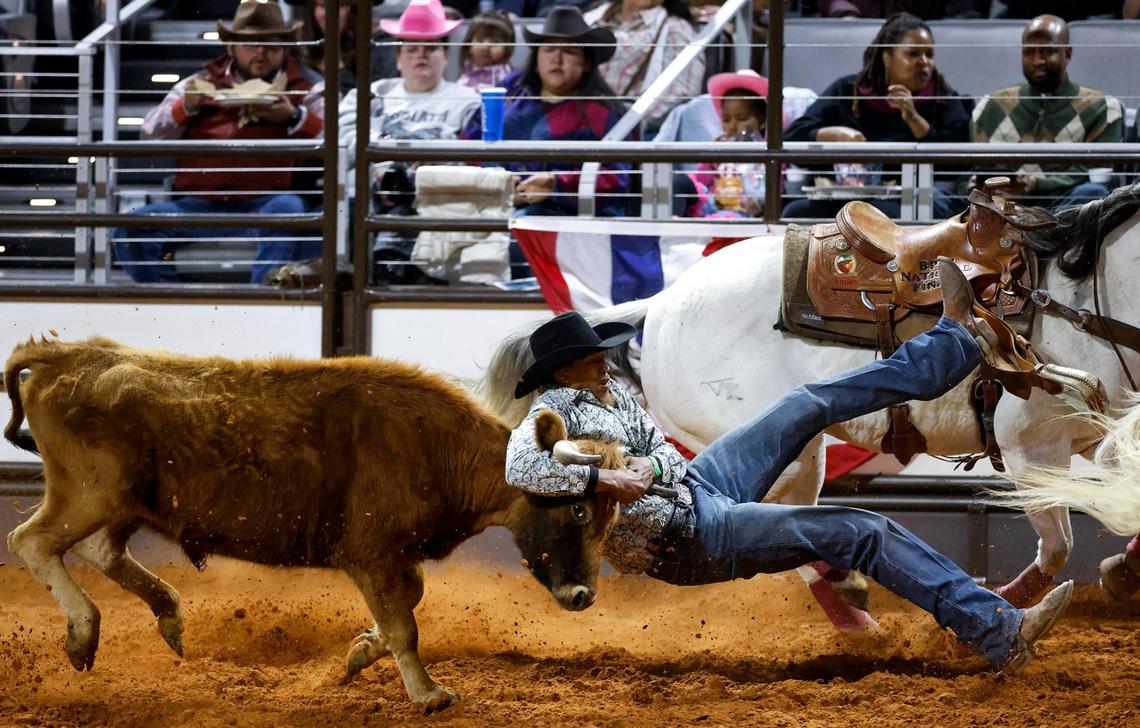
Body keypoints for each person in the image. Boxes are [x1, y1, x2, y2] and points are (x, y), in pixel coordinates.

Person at [505, 259, 1074, 674]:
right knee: (860, 529)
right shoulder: (547, 416)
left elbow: (656, 451)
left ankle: (951, 343)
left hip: (693, 489)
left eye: (601, 355)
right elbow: (522, 468)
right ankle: (998, 631)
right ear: (561, 374)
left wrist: (648, 467)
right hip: (687, 537)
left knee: (806, 402)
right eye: (589, 360)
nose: (604, 364)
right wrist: (605, 479)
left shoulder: (612, 398)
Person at [112, 0, 324, 285]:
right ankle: (173, 301)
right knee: (131, 228)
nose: (260, 54)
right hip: (199, 204)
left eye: (271, 45)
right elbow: (149, 136)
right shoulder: (197, 83)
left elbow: (338, 139)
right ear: (231, 47)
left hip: (268, 202)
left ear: (285, 48)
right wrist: (183, 109)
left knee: (288, 211)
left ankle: (266, 301)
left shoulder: (309, 86)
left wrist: (295, 116)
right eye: (250, 44)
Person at [338, 0, 480, 282]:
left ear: (445, 56)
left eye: (430, 48)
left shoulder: (468, 100)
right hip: (374, 195)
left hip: (439, 196)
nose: (421, 56)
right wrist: (388, 151)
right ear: (398, 59)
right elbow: (344, 140)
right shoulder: (369, 94)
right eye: (411, 49)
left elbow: (474, 154)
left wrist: (436, 158)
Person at [782, 12, 969, 221]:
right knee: (794, 214)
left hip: (913, 201)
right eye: (913, 54)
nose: (924, 62)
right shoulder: (849, 90)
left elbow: (960, 160)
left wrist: (915, 120)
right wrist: (834, 135)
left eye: (929, 54)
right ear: (887, 57)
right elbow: (793, 136)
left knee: (882, 218)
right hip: (846, 198)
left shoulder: (942, 97)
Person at [460, 6, 631, 218]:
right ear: (537, 57)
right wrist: (494, 179)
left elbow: (617, 177)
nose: (556, 59)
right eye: (548, 49)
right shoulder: (513, 89)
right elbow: (471, 138)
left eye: (568, 51)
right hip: (495, 201)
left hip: (563, 215)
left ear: (586, 62)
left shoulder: (600, 113)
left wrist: (556, 183)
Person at [970, 14, 1124, 209]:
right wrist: (978, 186)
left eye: (1047, 51)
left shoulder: (1102, 107)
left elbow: (1095, 173)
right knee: (933, 197)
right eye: (1029, 52)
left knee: (1092, 193)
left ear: (1067, 54)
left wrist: (1037, 185)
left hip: (1063, 207)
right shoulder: (993, 104)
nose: (1038, 60)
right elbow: (968, 169)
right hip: (999, 206)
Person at [583, 0, 704, 131]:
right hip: (575, 115)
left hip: (622, 127)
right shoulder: (590, 19)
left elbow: (681, 91)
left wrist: (628, 121)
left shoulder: (674, 27)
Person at [684, 70, 769, 218]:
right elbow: (697, 180)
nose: (733, 125)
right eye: (726, 119)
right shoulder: (720, 150)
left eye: (742, 118)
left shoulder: (768, 152)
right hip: (715, 207)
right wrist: (711, 157)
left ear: (762, 121)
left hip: (749, 214)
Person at [457, 10, 516, 90]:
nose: (485, 47)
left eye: (495, 42)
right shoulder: (467, 69)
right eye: (480, 41)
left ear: (507, 49)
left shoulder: (505, 77)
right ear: (469, 45)